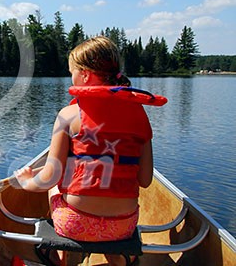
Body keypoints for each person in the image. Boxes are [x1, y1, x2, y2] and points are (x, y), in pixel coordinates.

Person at [15, 36, 166, 266]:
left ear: (84, 75)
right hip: (122, 227)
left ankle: (61, 255)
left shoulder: (68, 115)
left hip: (75, 224)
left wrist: (26, 182)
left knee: (57, 182)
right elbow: (145, 180)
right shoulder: (140, 114)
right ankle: (117, 259)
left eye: (72, 72)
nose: (71, 77)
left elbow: (49, 177)